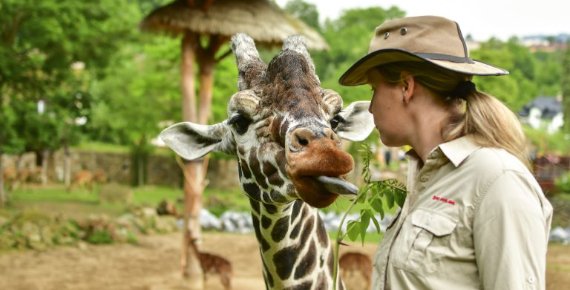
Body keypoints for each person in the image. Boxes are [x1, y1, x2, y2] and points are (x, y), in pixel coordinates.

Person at [339, 16, 553, 290]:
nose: (370, 108)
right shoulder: (429, 176)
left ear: (406, 86)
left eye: (373, 90)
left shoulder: (498, 180)